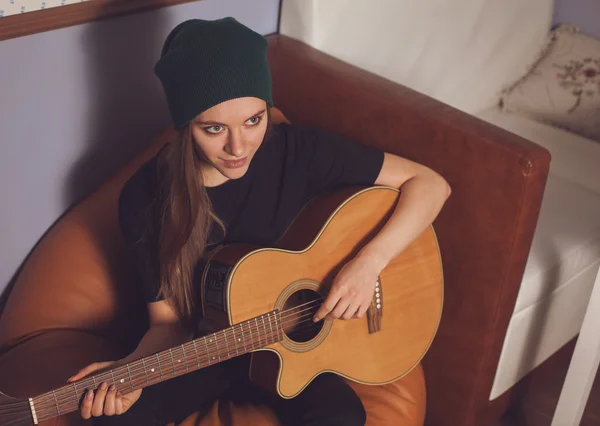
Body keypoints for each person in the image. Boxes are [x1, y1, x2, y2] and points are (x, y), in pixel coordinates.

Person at [66, 17, 451, 426]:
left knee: (341, 415)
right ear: (184, 126)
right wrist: (129, 373)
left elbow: (430, 184)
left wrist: (368, 264)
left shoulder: (298, 151)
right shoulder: (144, 198)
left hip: (298, 349)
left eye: (253, 120)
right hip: (206, 349)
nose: (238, 146)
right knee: (105, 420)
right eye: (214, 129)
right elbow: (167, 325)